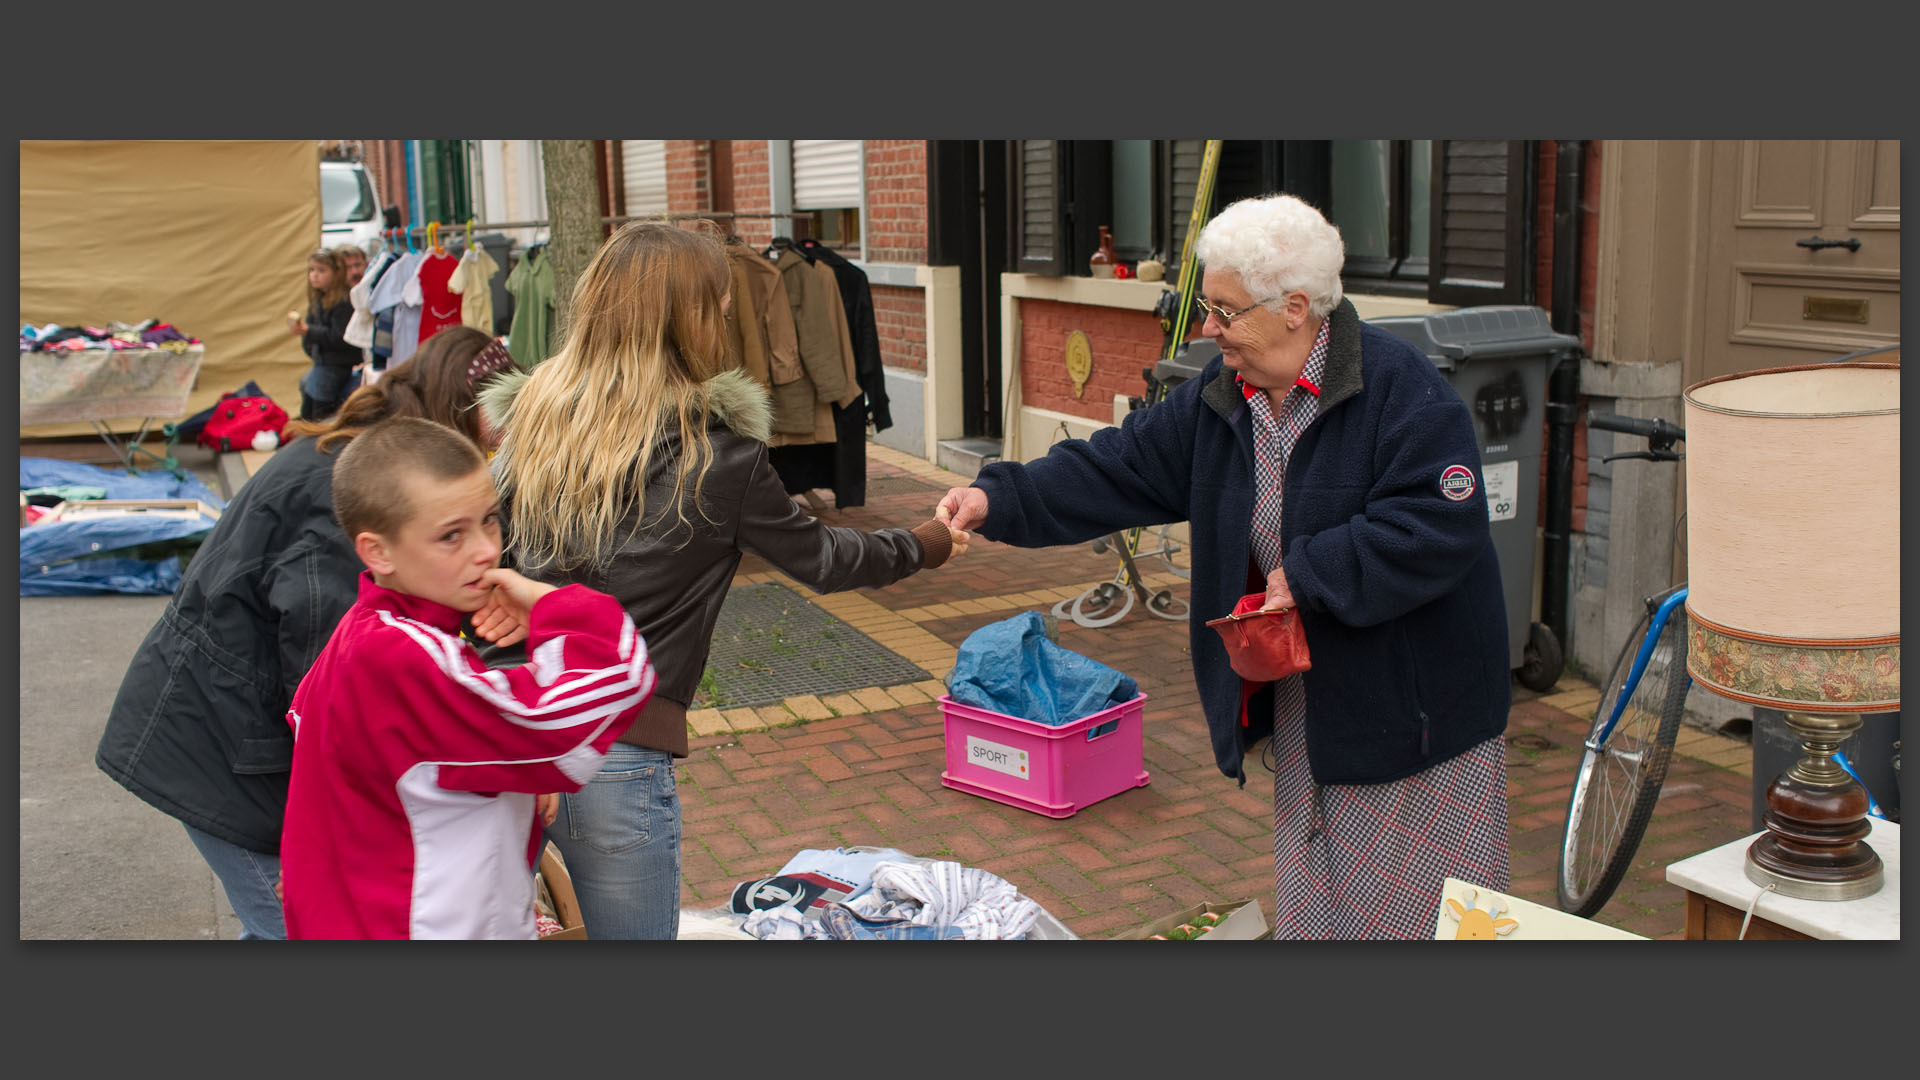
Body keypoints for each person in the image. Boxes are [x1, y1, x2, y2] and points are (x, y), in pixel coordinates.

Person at [935, 193, 1512, 940]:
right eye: (1209, 306)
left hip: (1415, 715)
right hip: (1315, 696)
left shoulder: (1403, 392)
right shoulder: (1225, 394)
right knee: (1321, 891)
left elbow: (1438, 522)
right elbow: (1117, 466)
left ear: (1296, 307)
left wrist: (1308, 575)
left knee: (1425, 919)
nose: (1208, 327)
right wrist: (996, 497)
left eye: (1226, 310)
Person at [479, 220, 971, 940]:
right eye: (714, 304)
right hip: (615, 750)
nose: (722, 318)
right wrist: (924, 544)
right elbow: (826, 560)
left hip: (504, 733)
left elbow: (487, 564)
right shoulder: (722, 456)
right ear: (687, 320)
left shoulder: (534, 424)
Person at [95, 325, 515, 940]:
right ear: (465, 411)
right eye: (502, 420)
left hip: (240, 734)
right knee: (300, 929)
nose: (508, 439)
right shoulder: (353, 493)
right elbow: (330, 687)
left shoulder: (376, 464)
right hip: (229, 750)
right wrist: (321, 844)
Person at [278, 417, 654, 939]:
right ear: (377, 551)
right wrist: (555, 608)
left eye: (490, 521)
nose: (484, 550)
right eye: (451, 535)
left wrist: (518, 769)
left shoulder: (362, 634)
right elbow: (614, 680)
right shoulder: (402, 656)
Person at [290, 249, 361, 421]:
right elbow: (312, 334)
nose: (314, 275)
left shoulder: (343, 301)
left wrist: (309, 331)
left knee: (319, 407)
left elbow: (341, 337)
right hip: (323, 363)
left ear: (336, 273)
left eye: (321, 271)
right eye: (312, 270)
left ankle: (319, 432)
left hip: (337, 364)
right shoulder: (318, 300)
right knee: (308, 390)